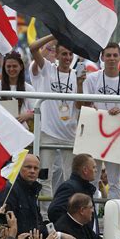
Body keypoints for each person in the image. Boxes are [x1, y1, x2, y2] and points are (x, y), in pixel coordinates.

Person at [30, 35, 83, 220]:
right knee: (44, 176)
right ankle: (46, 216)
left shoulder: (78, 76)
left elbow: (81, 105)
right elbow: (33, 48)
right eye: (64, 54)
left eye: (70, 54)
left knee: (71, 179)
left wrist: (82, 84)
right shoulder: (48, 70)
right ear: (57, 55)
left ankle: (67, 215)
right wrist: (55, 34)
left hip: (70, 133)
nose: (68, 58)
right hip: (49, 133)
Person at [83, 42, 120, 199]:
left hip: (117, 135)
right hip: (96, 132)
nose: (112, 59)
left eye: (115, 55)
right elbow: (85, 103)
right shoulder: (92, 78)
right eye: (108, 55)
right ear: (102, 57)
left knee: (114, 181)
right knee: (92, 179)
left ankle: (113, 215)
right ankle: (91, 216)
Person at [0, 154, 45, 234]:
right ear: (19, 168)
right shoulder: (9, 189)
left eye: (36, 168)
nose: (32, 171)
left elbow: (37, 222)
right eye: (28, 167)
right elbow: (4, 222)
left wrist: (56, 234)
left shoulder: (32, 190)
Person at [48, 154, 98, 233]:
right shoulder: (69, 187)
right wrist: (72, 231)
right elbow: (54, 211)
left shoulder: (85, 188)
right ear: (85, 170)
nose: (96, 170)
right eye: (94, 167)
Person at [0, 51, 35, 129]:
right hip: (1, 130)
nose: (11, 69)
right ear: (4, 67)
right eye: (8, 66)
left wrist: (28, 115)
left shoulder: (29, 88)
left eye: (14, 66)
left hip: (22, 131)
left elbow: (35, 111)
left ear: (21, 66)